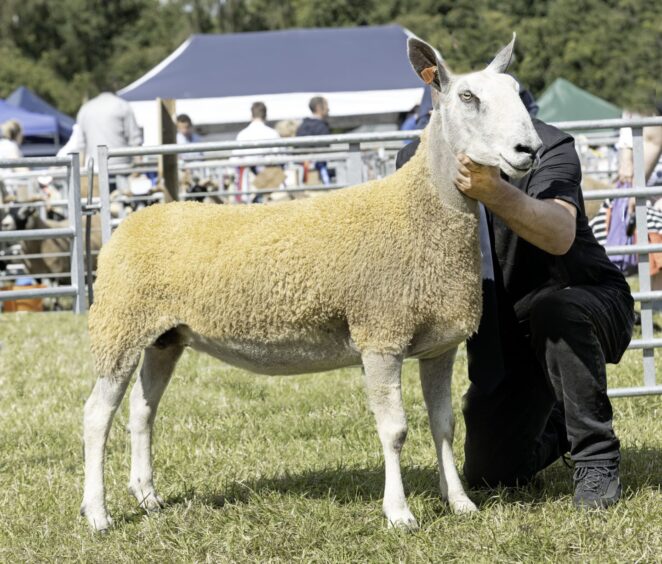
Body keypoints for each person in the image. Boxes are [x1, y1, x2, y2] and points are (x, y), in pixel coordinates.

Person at [397, 114, 634, 509]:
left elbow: (559, 235)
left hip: (583, 298)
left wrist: (494, 192)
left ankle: (596, 459)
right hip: (503, 333)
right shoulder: (416, 157)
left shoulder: (545, 143)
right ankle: (558, 423)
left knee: (556, 310)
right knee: (493, 474)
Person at [296, 96, 331, 185]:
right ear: (318, 107)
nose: (328, 109)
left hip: (303, 171)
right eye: (326, 105)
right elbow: (324, 149)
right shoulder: (322, 127)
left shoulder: (302, 126)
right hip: (317, 170)